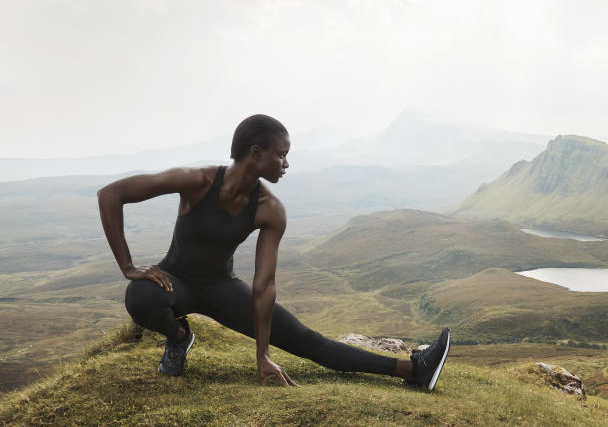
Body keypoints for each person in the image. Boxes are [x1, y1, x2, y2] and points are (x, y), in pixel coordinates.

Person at [97, 114, 450, 391]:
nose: (285, 164)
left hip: (222, 289)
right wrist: (128, 266)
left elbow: (264, 285)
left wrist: (262, 354)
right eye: (280, 155)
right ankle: (179, 338)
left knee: (308, 341)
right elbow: (111, 195)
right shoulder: (197, 180)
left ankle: (413, 369)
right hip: (176, 281)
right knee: (140, 295)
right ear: (255, 153)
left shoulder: (270, 209)